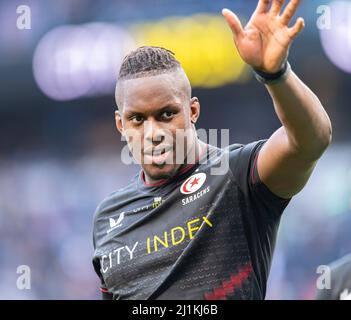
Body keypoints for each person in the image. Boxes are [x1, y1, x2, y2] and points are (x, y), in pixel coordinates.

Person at [92, 0, 332, 300]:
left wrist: (276, 74)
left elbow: (311, 141)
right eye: (137, 119)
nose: (152, 133)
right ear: (120, 125)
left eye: (167, 114)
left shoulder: (236, 175)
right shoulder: (108, 216)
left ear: (192, 111)